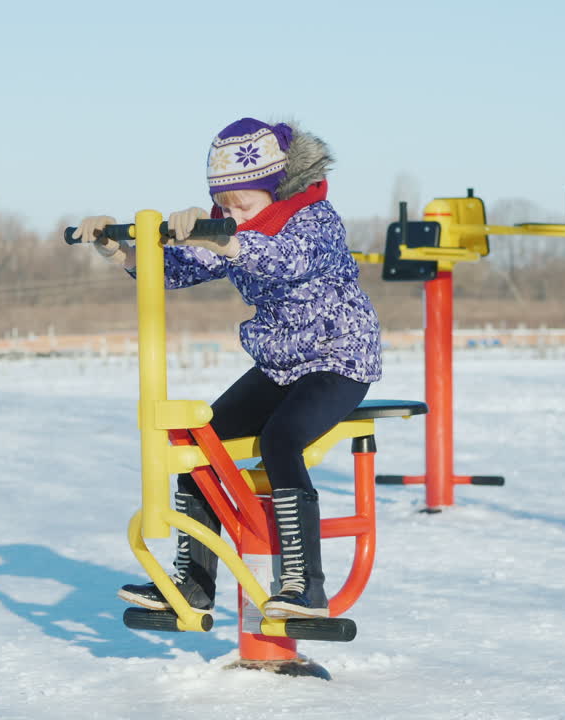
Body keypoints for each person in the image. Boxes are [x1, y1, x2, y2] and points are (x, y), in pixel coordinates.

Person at [71, 117, 382, 619]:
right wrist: (120, 251)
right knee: (199, 442)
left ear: (276, 191)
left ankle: (305, 584)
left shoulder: (313, 218)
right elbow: (177, 269)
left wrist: (226, 239)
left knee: (283, 439)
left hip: (338, 360)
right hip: (281, 364)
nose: (233, 214)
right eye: (226, 204)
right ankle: (192, 586)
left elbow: (287, 260)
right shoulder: (237, 228)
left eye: (244, 204)